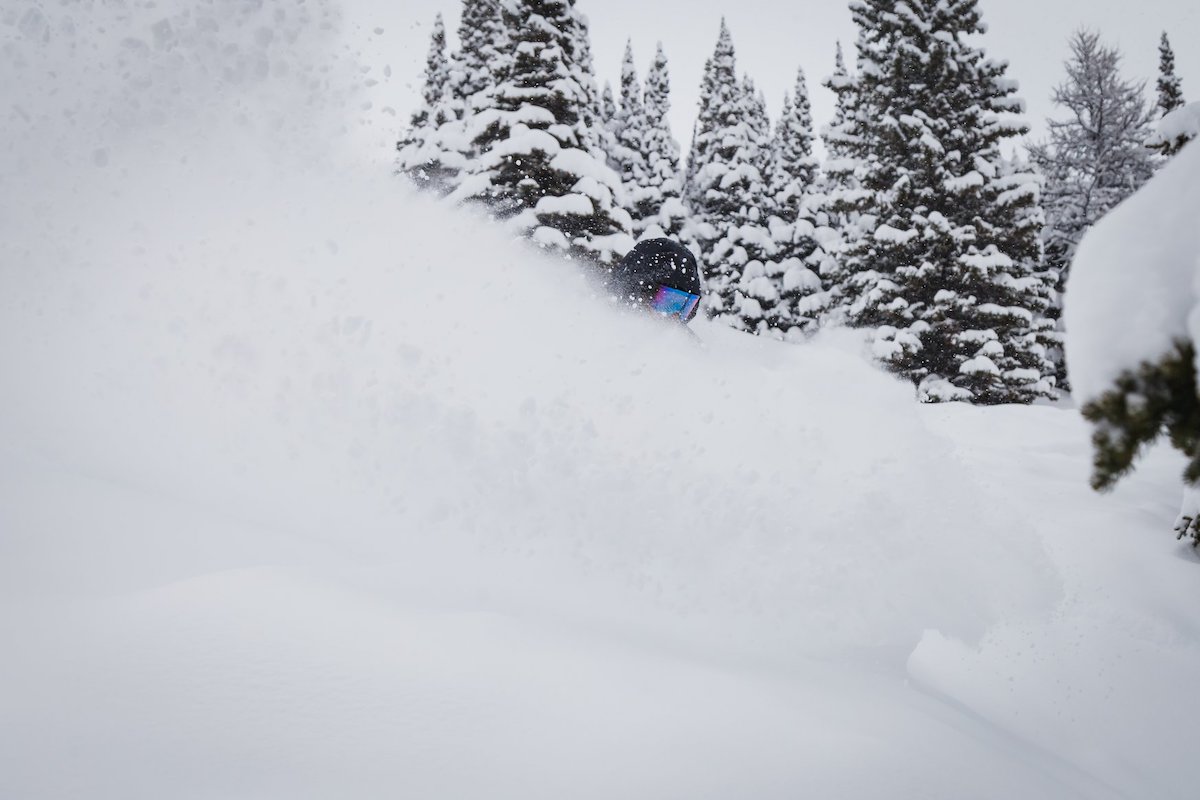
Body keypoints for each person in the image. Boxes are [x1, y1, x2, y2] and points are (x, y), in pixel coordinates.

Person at [607, 238, 704, 325]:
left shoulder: (687, 341)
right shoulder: (605, 326)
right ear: (641, 296)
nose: (675, 317)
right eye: (668, 304)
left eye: (685, 307)